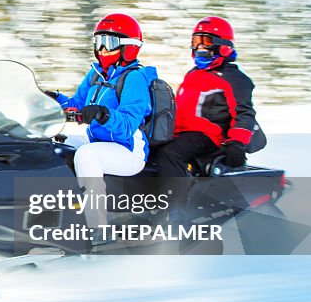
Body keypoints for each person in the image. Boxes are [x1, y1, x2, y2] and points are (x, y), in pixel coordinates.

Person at [44, 13, 153, 229]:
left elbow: (129, 126)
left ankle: (97, 229)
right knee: (55, 143)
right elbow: (77, 104)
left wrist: (103, 114)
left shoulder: (134, 78)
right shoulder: (96, 74)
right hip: (98, 142)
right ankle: (50, 217)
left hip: (129, 149)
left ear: (128, 47)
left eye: (109, 43)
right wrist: (53, 98)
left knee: (86, 155)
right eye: (99, 41)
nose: (102, 49)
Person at [155, 16, 257, 178]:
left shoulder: (233, 78)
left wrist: (237, 142)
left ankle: (174, 201)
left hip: (209, 136)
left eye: (206, 41)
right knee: (149, 150)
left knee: (170, 154)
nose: (200, 47)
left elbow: (244, 113)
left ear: (223, 45)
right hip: (180, 133)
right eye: (196, 42)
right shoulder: (193, 74)